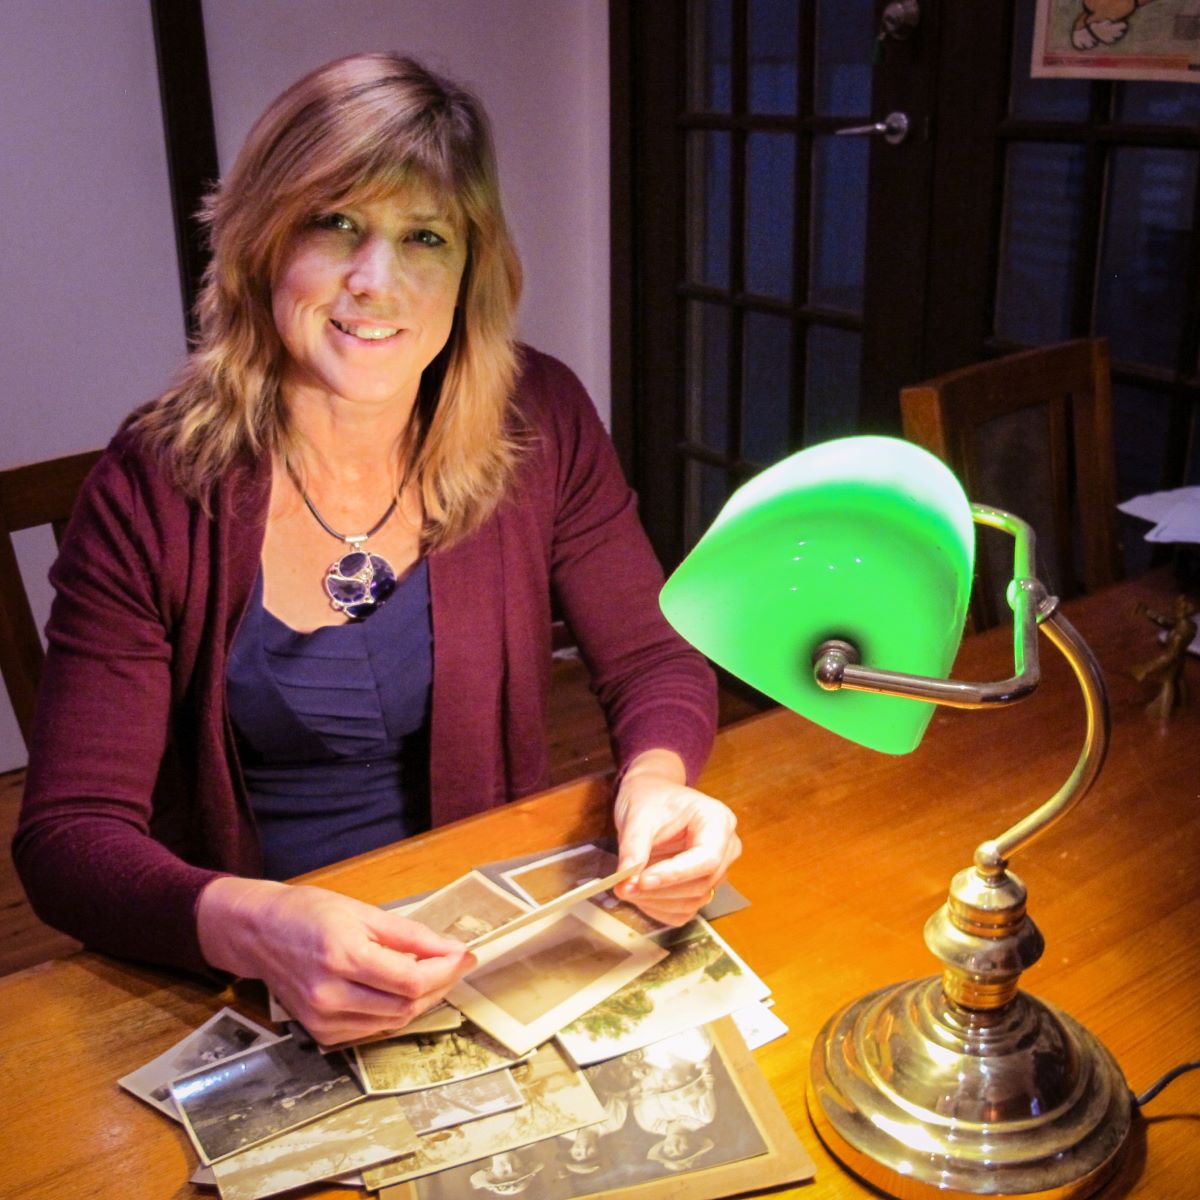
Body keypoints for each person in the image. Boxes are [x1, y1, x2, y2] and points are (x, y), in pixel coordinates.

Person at [12, 53, 740, 1047]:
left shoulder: (543, 418)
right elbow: (69, 840)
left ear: (469, 273)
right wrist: (260, 928)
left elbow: (654, 657)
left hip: (483, 941)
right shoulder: (154, 482)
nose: (376, 280)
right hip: (256, 971)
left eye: (424, 236)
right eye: (338, 224)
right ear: (265, 241)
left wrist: (659, 784)